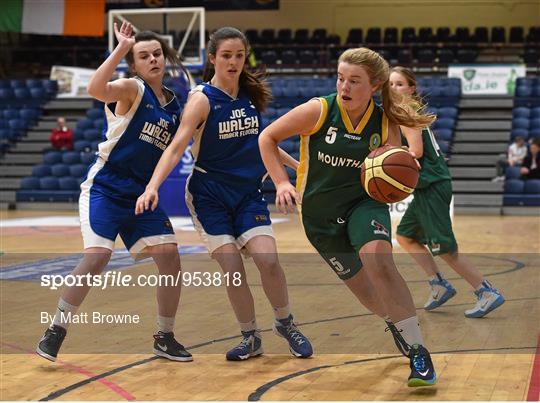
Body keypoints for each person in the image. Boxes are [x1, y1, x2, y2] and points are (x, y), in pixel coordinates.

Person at [259, 48, 436, 387]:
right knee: (366, 292)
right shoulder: (319, 109)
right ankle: (393, 322)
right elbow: (267, 138)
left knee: (379, 261)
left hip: (363, 204)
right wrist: (282, 181)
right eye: (341, 78)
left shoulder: (385, 121)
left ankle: (418, 350)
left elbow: (394, 169)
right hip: (319, 217)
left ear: (374, 85)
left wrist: (399, 180)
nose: (345, 86)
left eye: (354, 81)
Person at [135, 27, 313, 361]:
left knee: (269, 261)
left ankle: (285, 323)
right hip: (209, 196)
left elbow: (263, 143)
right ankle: (250, 337)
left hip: (247, 193)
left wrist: (297, 169)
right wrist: (152, 186)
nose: (233, 62)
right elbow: (176, 148)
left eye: (239, 56)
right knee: (233, 266)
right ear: (213, 57)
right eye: (226, 56)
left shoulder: (248, 95)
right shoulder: (201, 99)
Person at [36, 22, 192, 363]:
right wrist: (121, 48)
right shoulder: (131, 89)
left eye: (157, 54)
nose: (153, 59)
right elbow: (96, 88)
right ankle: (56, 328)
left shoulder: (175, 104)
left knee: (170, 257)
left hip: (140, 195)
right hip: (105, 189)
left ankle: (164, 337)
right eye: (144, 56)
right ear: (135, 64)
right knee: (97, 257)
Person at [389, 66, 505, 318]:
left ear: (411, 89)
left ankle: (486, 291)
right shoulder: (400, 113)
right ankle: (438, 284)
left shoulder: (406, 111)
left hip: (432, 185)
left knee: (444, 247)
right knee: (406, 236)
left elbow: (416, 151)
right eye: (390, 84)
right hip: (425, 187)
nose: (394, 88)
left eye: (399, 84)